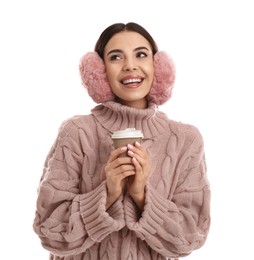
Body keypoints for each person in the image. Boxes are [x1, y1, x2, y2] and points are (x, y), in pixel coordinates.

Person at [33, 22, 211, 260]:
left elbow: (190, 237)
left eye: (141, 54)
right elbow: (50, 232)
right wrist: (107, 192)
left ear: (158, 67)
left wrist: (141, 195)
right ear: (98, 70)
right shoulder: (76, 132)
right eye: (116, 57)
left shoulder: (186, 140)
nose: (130, 65)